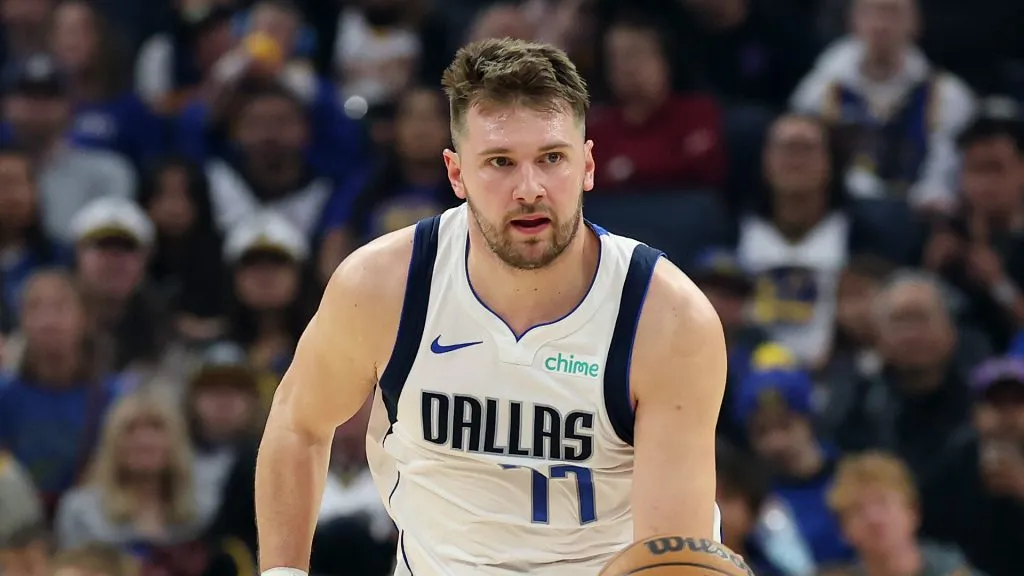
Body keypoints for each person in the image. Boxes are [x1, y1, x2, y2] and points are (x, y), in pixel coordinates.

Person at [254, 38, 727, 575]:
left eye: (552, 158)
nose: (529, 189)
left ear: (588, 165)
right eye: (500, 162)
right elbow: (298, 425)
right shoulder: (383, 286)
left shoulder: (666, 319)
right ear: (456, 173)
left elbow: (670, 555)